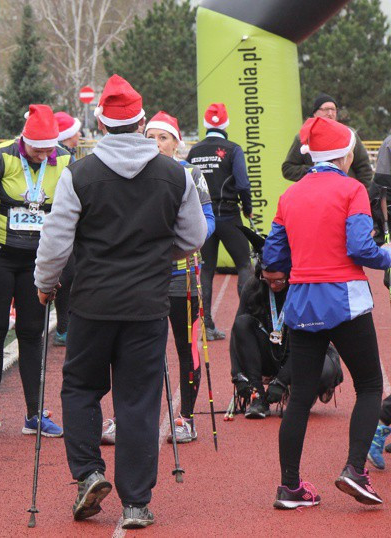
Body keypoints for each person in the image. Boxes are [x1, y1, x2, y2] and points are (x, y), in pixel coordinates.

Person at [35, 75, 206, 529]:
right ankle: (136, 502)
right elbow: (193, 236)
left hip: (91, 302)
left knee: (79, 388)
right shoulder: (175, 173)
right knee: (138, 402)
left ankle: (89, 472)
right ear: (143, 121)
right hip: (148, 304)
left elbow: (56, 239)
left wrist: (44, 281)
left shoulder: (80, 173)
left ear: (100, 124)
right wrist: (156, 255)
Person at [263, 116, 391, 509]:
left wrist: (281, 276)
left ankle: (290, 487)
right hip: (345, 298)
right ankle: (354, 469)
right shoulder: (352, 190)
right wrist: (387, 255)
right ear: (346, 154)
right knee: (369, 384)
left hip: (302, 301)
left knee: (300, 395)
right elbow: (360, 248)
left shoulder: (291, 195)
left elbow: (271, 258)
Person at [0, 104, 71, 438]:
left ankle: (34, 414)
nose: (42, 155)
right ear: (25, 141)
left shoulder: (65, 160)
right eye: (36, 149)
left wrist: (68, 263)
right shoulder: (0, 158)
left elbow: (75, 213)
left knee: (31, 333)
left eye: (48, 149)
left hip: (38, 261)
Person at [145, 111, 215, 442]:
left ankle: (186, 418)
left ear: (176, 142)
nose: (156, 144)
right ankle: (133, 416)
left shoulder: (191, 173)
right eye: (150, 138)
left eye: (163, 138)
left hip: (182, 277)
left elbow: (208, 219)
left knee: (187, 348)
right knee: (141, 349)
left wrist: (185, 240)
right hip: (143, 276)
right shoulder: (135, 171)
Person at [230, 227, 342, 419]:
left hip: (307, 351)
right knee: (242, 323)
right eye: (267, 280)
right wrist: (238, 374)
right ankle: (258, 398)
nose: (273, 286)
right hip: (273, 350)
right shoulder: (253, 286)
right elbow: (237, 335)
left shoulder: (306, 289)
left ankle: (300, 390)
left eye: (279, 281)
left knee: (324, 371)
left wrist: (281, 381)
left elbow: (313, 342)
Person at [186, 103, 252, 340]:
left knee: (206, 269)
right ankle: (246, 323)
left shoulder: (194, 151)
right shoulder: (233, 149)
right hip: (229, 215)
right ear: (225, 124)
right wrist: (248, 207)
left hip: (204, 218)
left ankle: (206, 325)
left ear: (205, 124)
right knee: (245, 264)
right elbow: (243, 184)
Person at [281, 93, 372, 187]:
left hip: (346, 194)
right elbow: (288, 169)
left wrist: (362, 193)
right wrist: (316, 170)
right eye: (325, 109)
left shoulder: (349, 135)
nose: (330, 113)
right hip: (315, 194)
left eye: (333, 109)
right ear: (315, 113)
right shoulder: (303, 137)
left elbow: (364, 169)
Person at [51, 111, 82, 346]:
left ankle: (63, 327)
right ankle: (62, 327)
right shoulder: (60, 157)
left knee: (68, 276)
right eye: (75, 132)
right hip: (57, 223)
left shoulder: (70, 156)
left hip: (66, 223)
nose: (80, 135)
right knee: (64, 276)